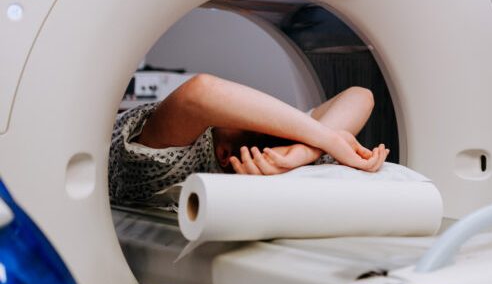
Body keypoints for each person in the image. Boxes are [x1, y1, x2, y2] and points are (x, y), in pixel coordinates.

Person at [109, 73, 388, 207]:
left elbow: (202, 92)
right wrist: (312, 147)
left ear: (224, 153)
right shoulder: (287, 150)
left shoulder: (168, 165)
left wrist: (306, 148)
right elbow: (361, 95)